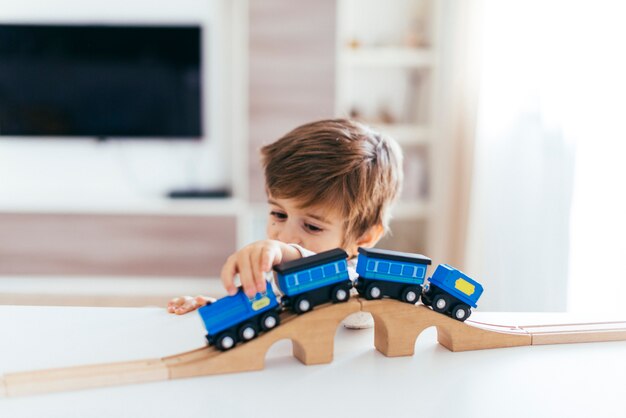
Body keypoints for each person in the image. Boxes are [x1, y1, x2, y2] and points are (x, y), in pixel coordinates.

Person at [167, 118, 403, 328]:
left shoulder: (357, 278)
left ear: (364, 238)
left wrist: (293, 255)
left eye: (312, 226)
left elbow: (358, 314)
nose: (285, 237)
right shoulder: (279, 269)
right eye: (279, 214)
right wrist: (219, 310)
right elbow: (271, 309)